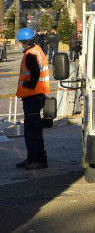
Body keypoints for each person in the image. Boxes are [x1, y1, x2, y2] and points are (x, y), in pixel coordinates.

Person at [15, 28, 49, 170]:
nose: (20, 44)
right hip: (35, 95)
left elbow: (34, 73)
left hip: (33, 95)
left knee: (33, 130)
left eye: (20, 42)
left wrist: (29, 84)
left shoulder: (31, 54)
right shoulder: (36, 50)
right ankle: (31, 157)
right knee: (31, 129)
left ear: (25, 42)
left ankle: (39, 159)